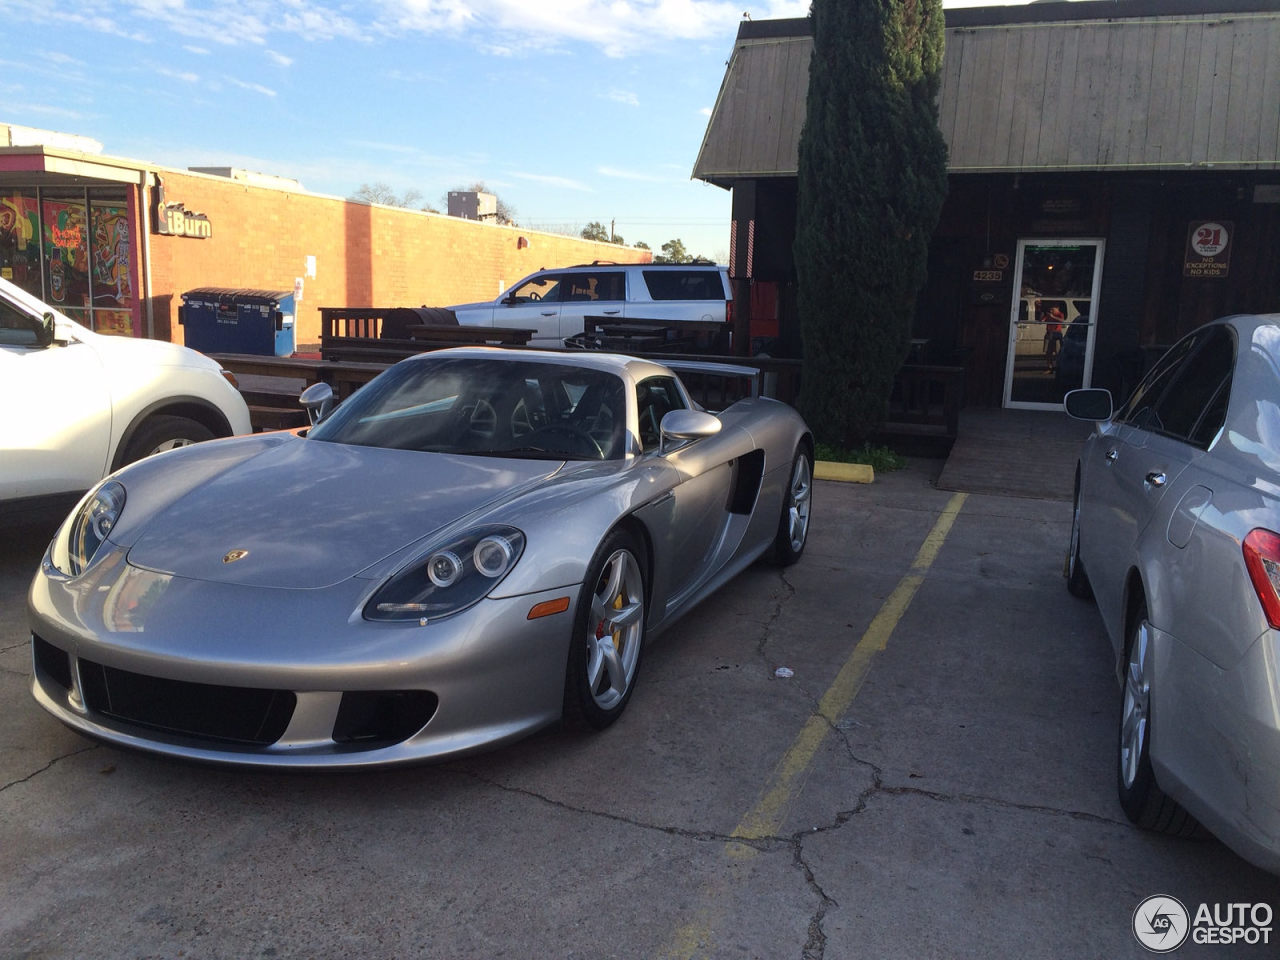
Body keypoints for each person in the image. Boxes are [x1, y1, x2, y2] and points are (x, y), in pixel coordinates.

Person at [1043, 304, 1066, 372]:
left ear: (1057, 308)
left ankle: (1059, 367)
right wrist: (1042, 314)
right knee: (1048, 352)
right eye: (1050, 309)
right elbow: (1042, 321)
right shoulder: (1048, 314)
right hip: (1049, 333)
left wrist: (1053, 316)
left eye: (1052, 309)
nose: (1051, 310)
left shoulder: (1060, 314)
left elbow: (1062, 320)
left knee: (1058, 351)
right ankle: (1049, 367)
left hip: (1057, 333)